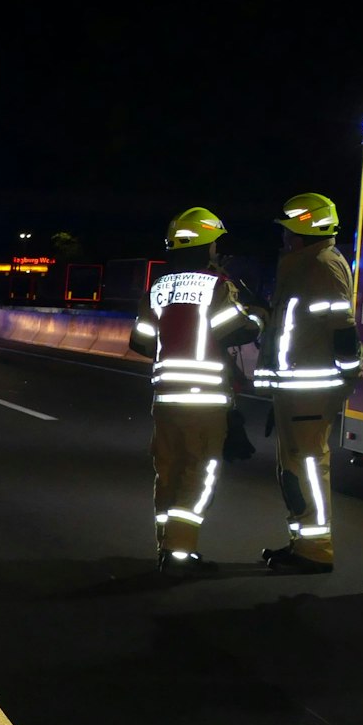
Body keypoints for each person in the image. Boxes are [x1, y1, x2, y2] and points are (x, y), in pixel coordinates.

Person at [128, 207, 263, 576]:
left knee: (167, 470)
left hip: (164, 397)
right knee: (198, 471)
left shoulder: (156, 289)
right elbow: (239, 332)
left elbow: (140, 343)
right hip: (203, 398)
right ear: (207, 246)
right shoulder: (216, 286)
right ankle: (180, 554)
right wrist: (257, 314)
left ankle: (165, 546)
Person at [255, 192, 363, 574]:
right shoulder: (301, 265)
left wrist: (347, 376)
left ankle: (315, 550)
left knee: (309, 467)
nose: (284, 237)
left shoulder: (321, 265)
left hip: (310, 391)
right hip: (294, 391)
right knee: (296, 469)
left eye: (289, 229)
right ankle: (303, 543)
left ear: (305, 228)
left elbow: (342, 327)